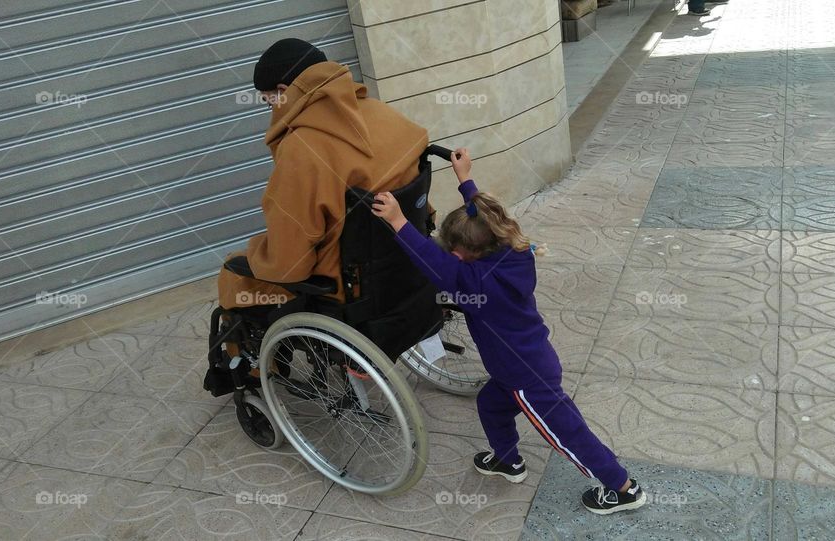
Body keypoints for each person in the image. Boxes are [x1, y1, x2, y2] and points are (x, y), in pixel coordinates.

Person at [370, 148, 647, 516]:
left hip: (526, 377)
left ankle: (623, 488)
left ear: (467, 254)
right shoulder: (511, 251)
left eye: (454, 251)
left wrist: (399, 221)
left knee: (567, 432)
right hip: (518, 366)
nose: (450, 256)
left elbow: (433, 262)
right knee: (490, 405)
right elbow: (485, 213)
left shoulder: (477, 283)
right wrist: (465, 179)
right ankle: (507, 460)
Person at [216, 38, 429, 318]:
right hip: (407, 257)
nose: (272, 112)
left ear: (283, 92)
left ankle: (257, 362)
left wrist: (257, 254)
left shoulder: (302, 148)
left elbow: (289, 265)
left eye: (270, 104)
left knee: (234, 273)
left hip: (344, 285)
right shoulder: (383, 113)